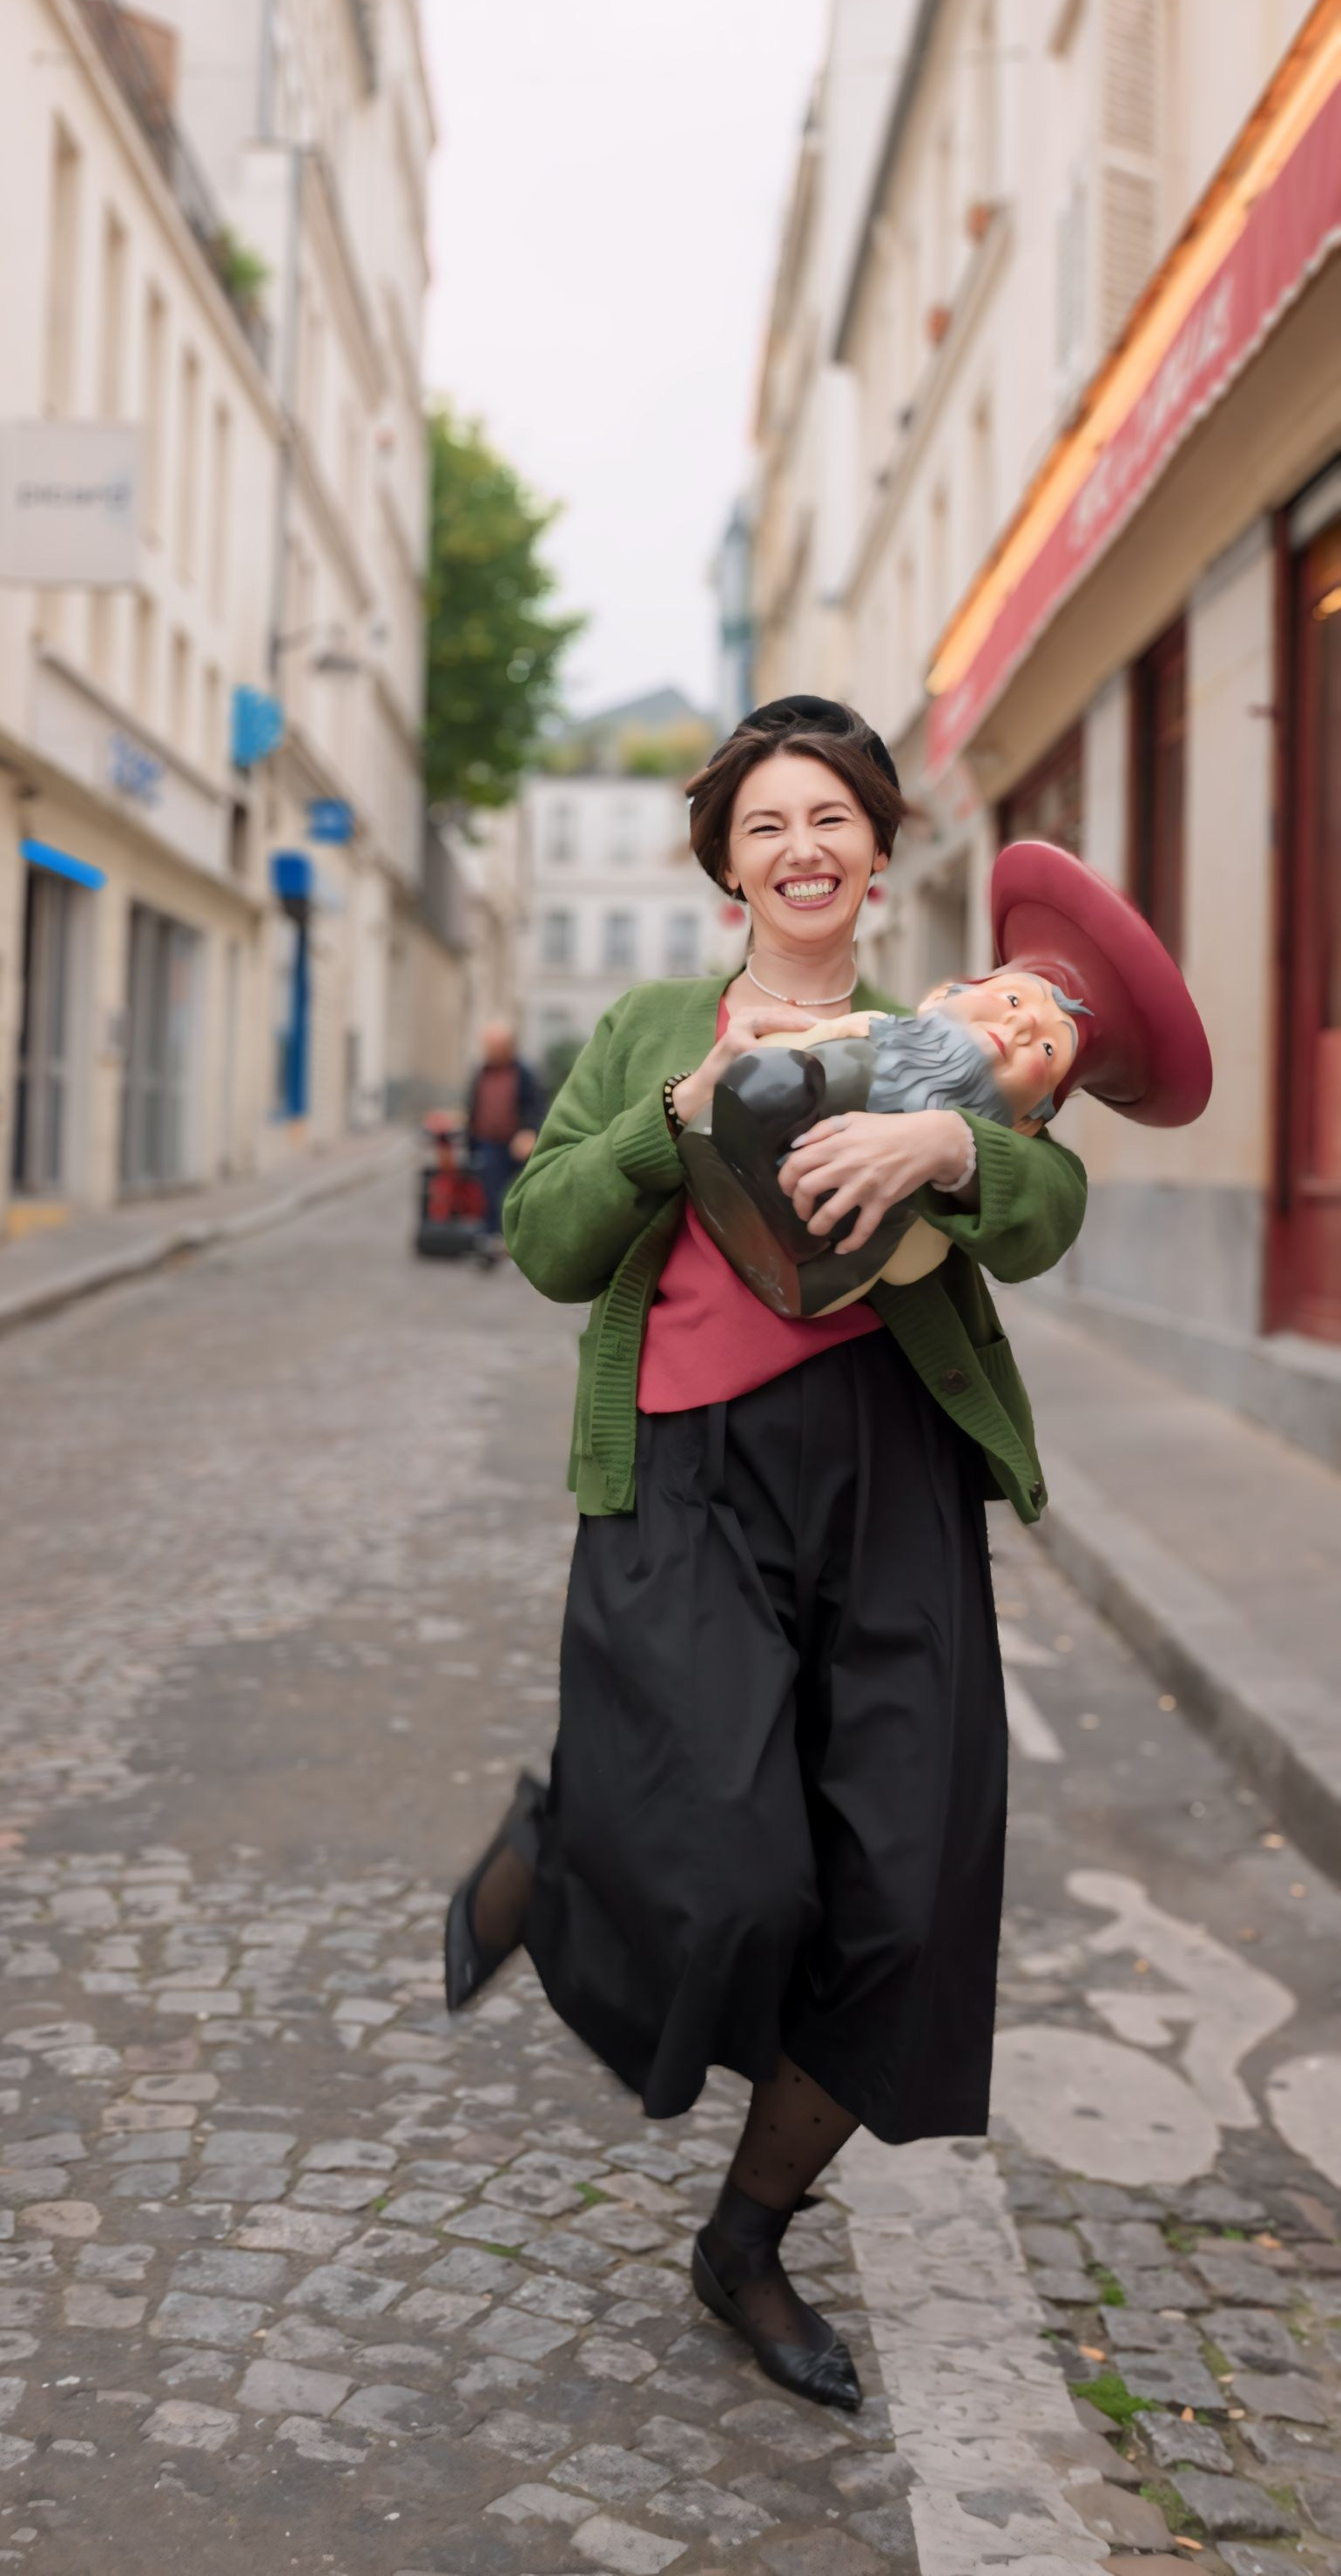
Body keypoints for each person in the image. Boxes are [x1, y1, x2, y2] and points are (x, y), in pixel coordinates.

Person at [441, 696, 1089, 2417]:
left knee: (900, 1900)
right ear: (722, 865)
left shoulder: (939, 1032)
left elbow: (1043, 1209)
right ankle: (567, 1838)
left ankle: (743, 2240)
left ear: (879, 850)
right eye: (762, 825)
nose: (799, 848)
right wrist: (671, 1114)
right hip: (685, 1481)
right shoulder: (651, 1021)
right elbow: (544, 1240)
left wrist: (947, 1145)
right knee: (732, 1879)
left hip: (890, 1487)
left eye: (831, 819)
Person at [463, 1022, 542, 1261]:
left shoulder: (524, 1074)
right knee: (489, 1189)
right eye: (488, 1045)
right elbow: (473, 1104)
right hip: (487, 1141)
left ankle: (516, 1239)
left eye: (495, 1046)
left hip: (515, 1144)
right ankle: (491, 1237)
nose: (490, 1050)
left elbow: (537, 1107)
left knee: (516, 1193)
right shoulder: (481, 1072)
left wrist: (529, 1131)